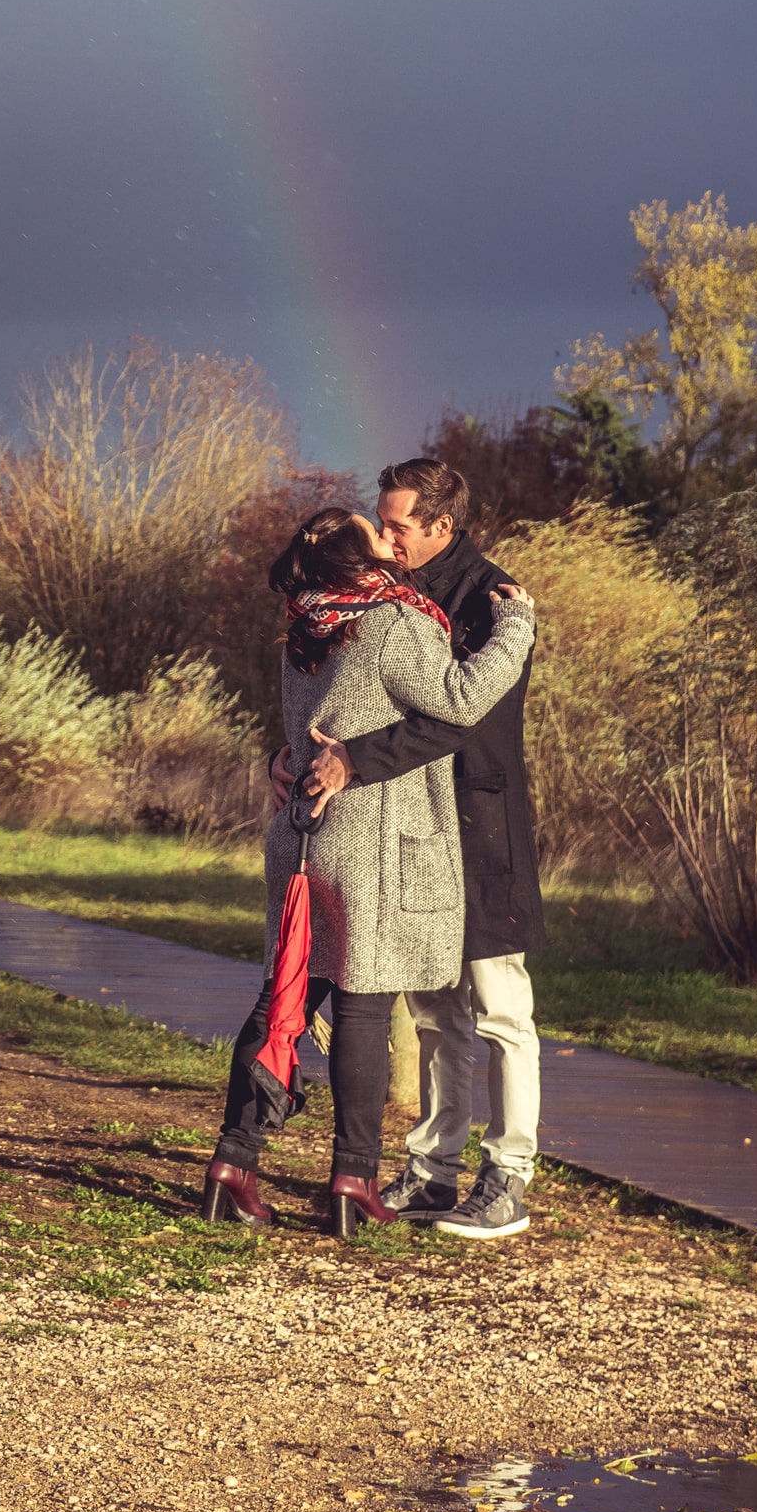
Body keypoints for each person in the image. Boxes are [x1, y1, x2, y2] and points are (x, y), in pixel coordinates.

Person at [201, 508, 535, 1236]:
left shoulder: (306, 626)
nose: (392, 540)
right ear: (362, 559)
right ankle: (353, 1179)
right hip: (372, 844)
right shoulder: (392, 622)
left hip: (302, 838)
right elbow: (460, 701)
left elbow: (309, 728)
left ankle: (233, 1162)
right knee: (363, 1010)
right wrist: (515, 631)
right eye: (378, 533)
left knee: (284, 998)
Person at [303, 455, 545, 1243]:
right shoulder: (388, 595)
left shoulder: (497, 600)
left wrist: (354, 760)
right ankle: (434, 1169)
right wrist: (297, 752)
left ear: (443, 525)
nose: (387, 539)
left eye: (399, 525)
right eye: (382, 522)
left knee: (501, 1007)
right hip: (417, 829)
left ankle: (507, 1177)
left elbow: (458, 717)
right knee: (435, 1009)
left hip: (482, 826)